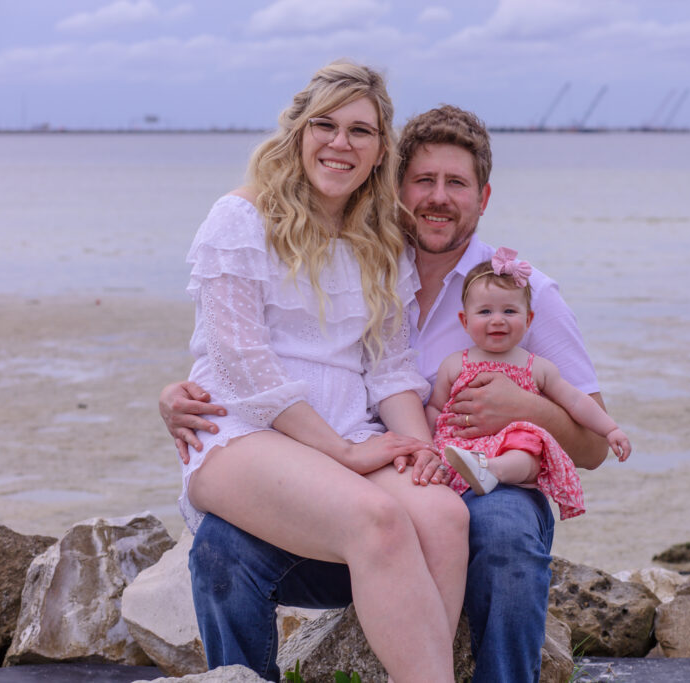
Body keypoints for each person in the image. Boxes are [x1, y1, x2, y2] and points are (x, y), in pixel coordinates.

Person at [161, 104, 630, 682]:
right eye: (423, 181)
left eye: (456, 183)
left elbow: (593, 448)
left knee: (502, 524)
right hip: (372, 476)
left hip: (479, 487)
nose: (438, 197)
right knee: (222, 547)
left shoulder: (522, 294)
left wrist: (527, 409)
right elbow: (270, 347)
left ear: (483, 198)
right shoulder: (370, 255)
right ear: (395, 188)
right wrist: (185, 393)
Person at [178, 62, 468, 682]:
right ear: (298, 132)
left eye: (360, 131)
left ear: (381, 149)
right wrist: (341, 451)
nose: (340, 143)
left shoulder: (381, 239)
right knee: (379, 520)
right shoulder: (239, 219)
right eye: (325, 124)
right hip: (244, 432)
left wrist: (418, 448)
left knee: (445, 517)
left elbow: (389, 368)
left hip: (347, 431)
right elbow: (241, 362)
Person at [431, 249, 631, 520]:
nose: (498, 319)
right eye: (485, 311)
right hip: (463, 445)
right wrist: (429, 448)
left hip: (513, 448)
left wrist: (610, 429)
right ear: (465, 322)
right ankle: (469, 469)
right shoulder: (454, 365)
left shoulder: (537, 367)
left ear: (528, 320)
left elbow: (575, 401)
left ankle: (492, 469)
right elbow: (436, 408)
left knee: (527, 449)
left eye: (509, 311)